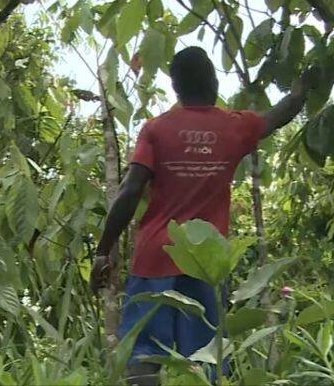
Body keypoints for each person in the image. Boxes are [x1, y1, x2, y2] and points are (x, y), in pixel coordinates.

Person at [91, 46, 307, 385]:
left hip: (155, 259)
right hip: (205, 262)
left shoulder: (156, 129)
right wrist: (303, 85)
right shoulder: (235, 127)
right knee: (208, 361)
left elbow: (131, 191)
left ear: (176, 88)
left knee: (143, 357)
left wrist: (104, 249)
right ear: (213, 80)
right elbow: (280, 114)